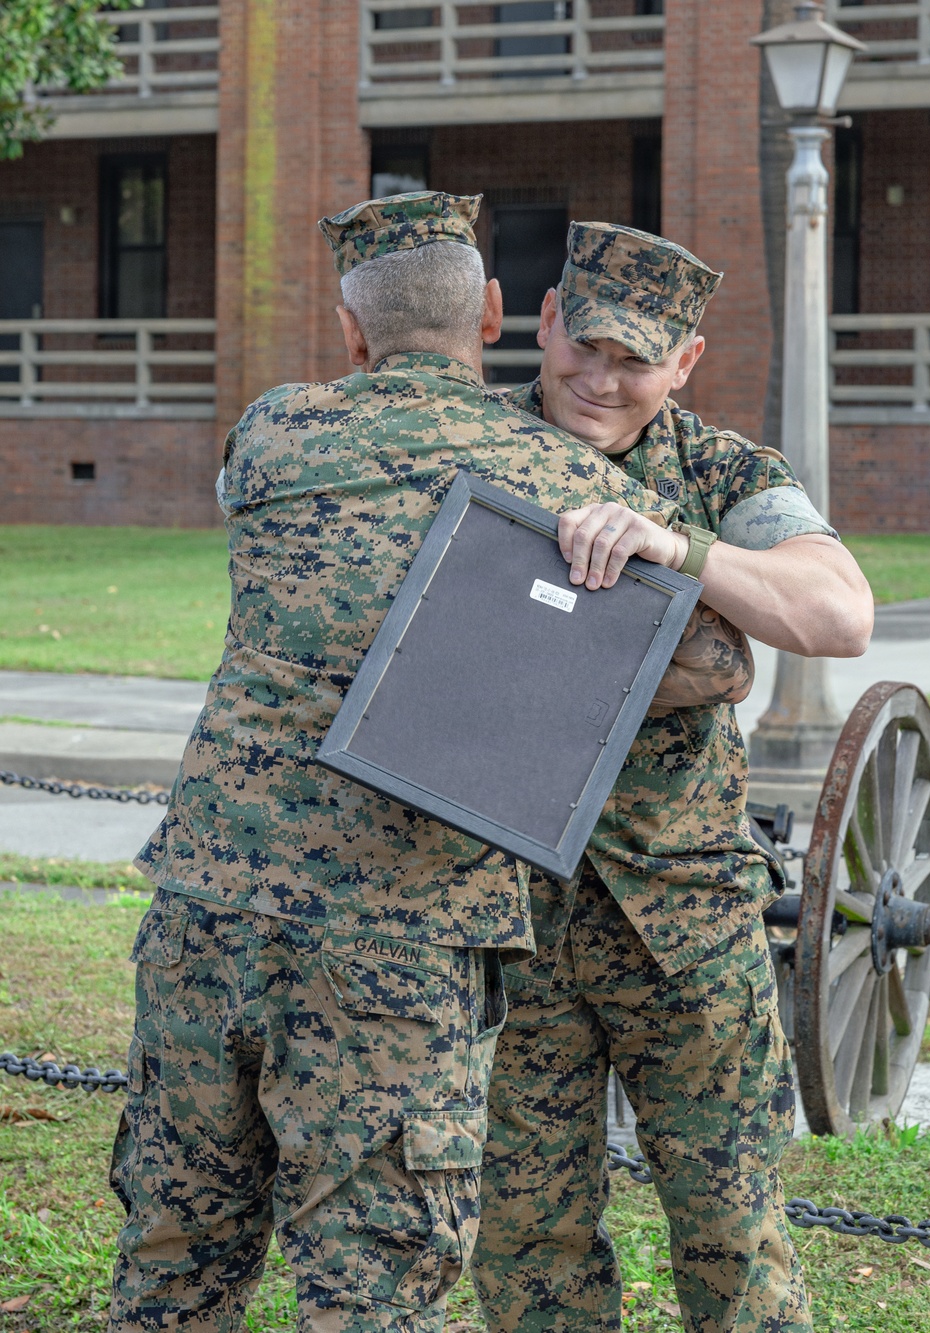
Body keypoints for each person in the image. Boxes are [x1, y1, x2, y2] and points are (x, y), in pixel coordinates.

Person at [107, 192, 715, 1333]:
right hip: (398, 943)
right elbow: (716, 659)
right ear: (493, 315)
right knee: (377, 1287)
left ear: (348, 331)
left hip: (205, 913)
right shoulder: (568, 482)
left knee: (173, 1259)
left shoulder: (272, 432)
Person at [470, 223, 875, 1333]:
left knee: (732, 1235)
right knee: (526, 1246)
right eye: (583, 344)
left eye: (636, 359)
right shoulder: (469, 448)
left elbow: (839, 613)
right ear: (544, 321)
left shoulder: (719, 471)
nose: (600, 378)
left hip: (686, 924)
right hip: (512, 927)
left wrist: (675, 547)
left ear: (685, 363)